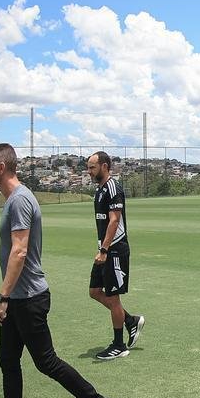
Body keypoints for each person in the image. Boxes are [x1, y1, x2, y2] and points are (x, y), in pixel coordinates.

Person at [0, 143, 119, 398]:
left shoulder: (18, 200)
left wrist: (2, 297)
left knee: (46, 362)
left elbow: (19, 252)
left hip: (26, 297)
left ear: (1, 167)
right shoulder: (15, 198)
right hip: (20, 297)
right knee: (8, 360)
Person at [87, 151, 144, 360]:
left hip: (114, 250)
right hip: (104, 250)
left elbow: (114, 221)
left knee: (112, 296)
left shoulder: (113, 188)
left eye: (92, 167)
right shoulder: (99, 190)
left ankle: (119, 345)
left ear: (104, 166)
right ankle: (130, 321)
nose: (89, 171)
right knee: (94, 291)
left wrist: (104, 250)